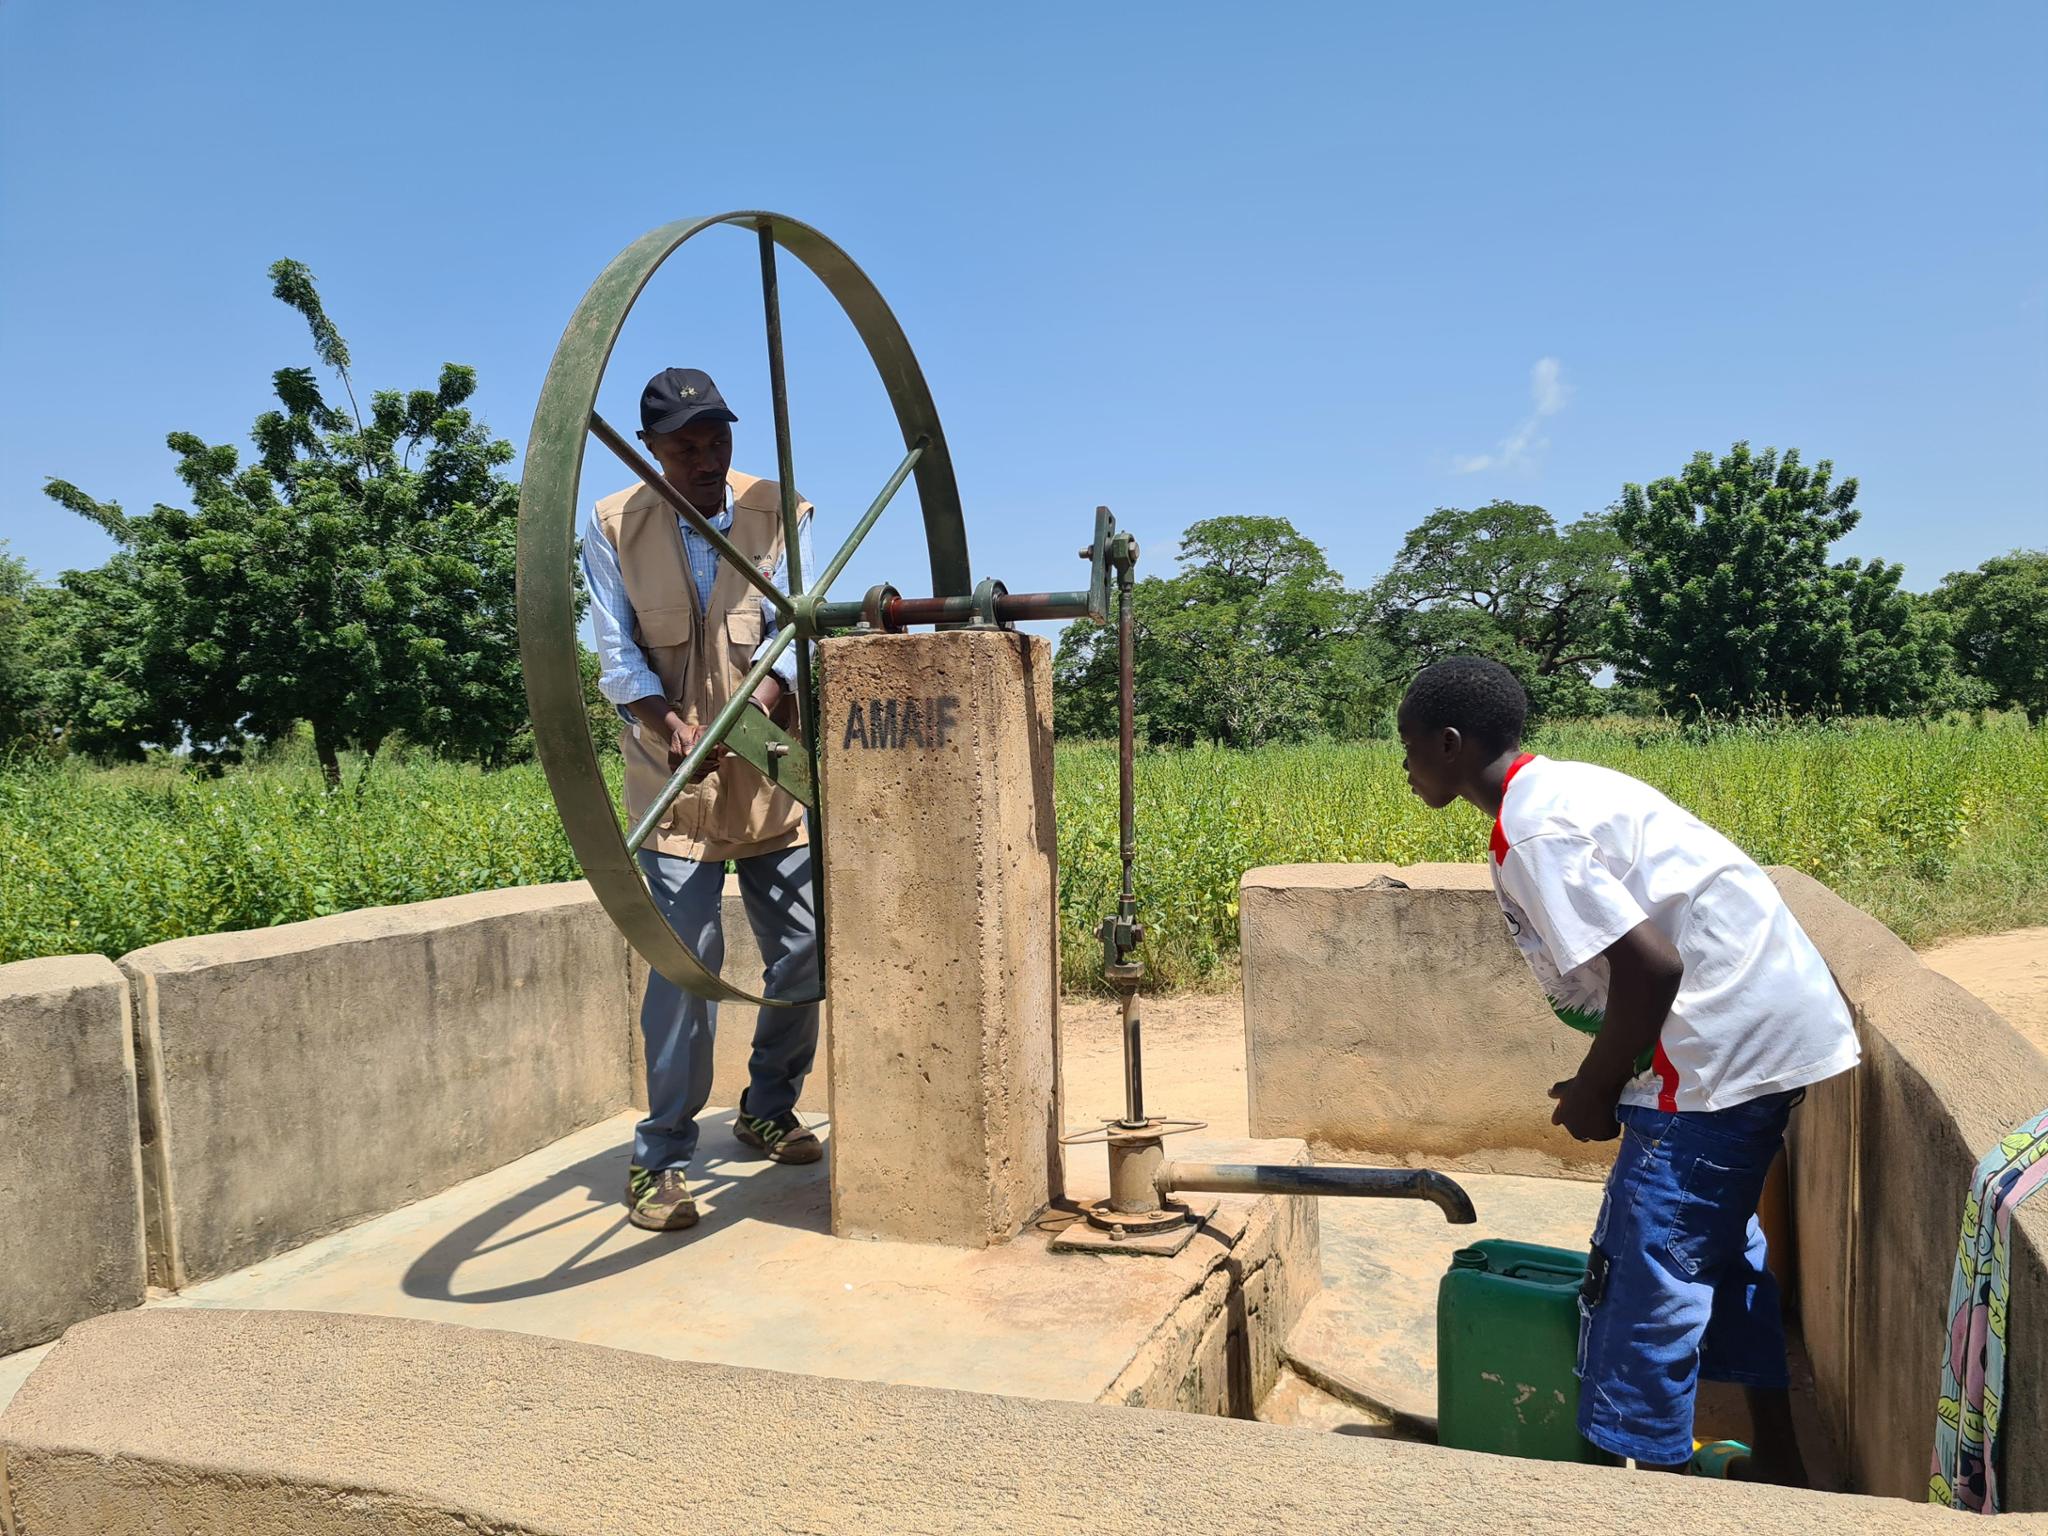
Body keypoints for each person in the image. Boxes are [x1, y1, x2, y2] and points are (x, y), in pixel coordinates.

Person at [1395, 657, 1859, 1483]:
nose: (1405, 767)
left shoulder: (1533, 831)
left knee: (1645, 1279)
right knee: (1719, 1252)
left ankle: (1643, 1500)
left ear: (1452, 744)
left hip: (1716, 1051)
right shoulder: (1561, 791)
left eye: (1409, 748)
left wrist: (1597, 1090)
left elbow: (1651, 968)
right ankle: (1781, 1470)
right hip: (1764, 1030)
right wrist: (1598, 1077)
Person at [582, 366, 822, 1234]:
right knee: (686, 969)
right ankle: (660, 1160)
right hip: (672, 784)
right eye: (685, 445)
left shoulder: (777, 511)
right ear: (650, 450)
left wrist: (762, 699)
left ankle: (765, 1107)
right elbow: (616, 655)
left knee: (804, 952)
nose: (706, 458)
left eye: (717, 439)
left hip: (768, 779)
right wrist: (670, 722)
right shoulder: (614, 525)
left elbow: (798, 627)